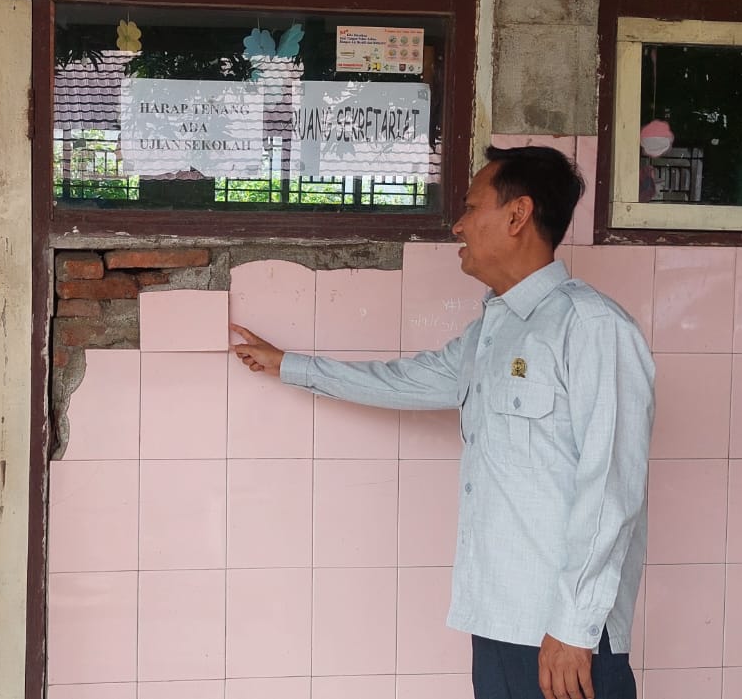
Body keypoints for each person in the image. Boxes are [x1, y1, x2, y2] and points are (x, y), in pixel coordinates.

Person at [231, 146, 654, 699]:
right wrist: (288, 365)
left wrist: (574, 628)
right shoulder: (492, 329)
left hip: (566, 635)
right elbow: (405, 381)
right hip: (499, 617)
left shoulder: (593, 327)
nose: (458, 225)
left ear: (518, 215)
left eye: (471, 207)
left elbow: (610, 489)